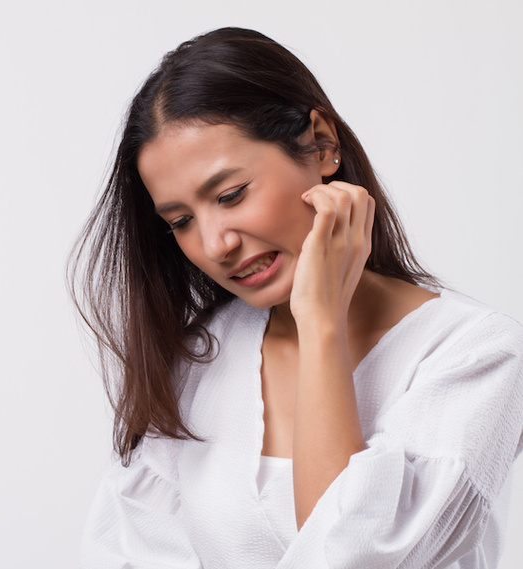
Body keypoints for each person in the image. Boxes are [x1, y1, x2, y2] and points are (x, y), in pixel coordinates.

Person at [69, 27, 523, 568]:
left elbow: (354, 558)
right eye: (181, 221)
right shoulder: (197, 359)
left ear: (322, 143)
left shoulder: (472, 355)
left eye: (230, 194)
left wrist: (321, 324)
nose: (215, 245)